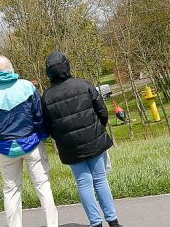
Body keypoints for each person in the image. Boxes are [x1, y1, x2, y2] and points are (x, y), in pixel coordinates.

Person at [41, 51, 121, 227]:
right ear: (67, 66)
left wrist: (61, 138)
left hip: (70, 147)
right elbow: (102, 112)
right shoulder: (84, 85)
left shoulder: (46, 97)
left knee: (83, 184)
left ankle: (96, 223)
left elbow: (47, 126)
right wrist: (99, 128)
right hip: (94, 139)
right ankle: (113, 222)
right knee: (100, 180)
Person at [0, 54, 58, 227]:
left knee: (11, 191)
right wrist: (41, 137)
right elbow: (40, 116)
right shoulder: (27, 86)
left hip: (6, 149)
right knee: (43, 186)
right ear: (10, 68)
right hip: (33, 145)